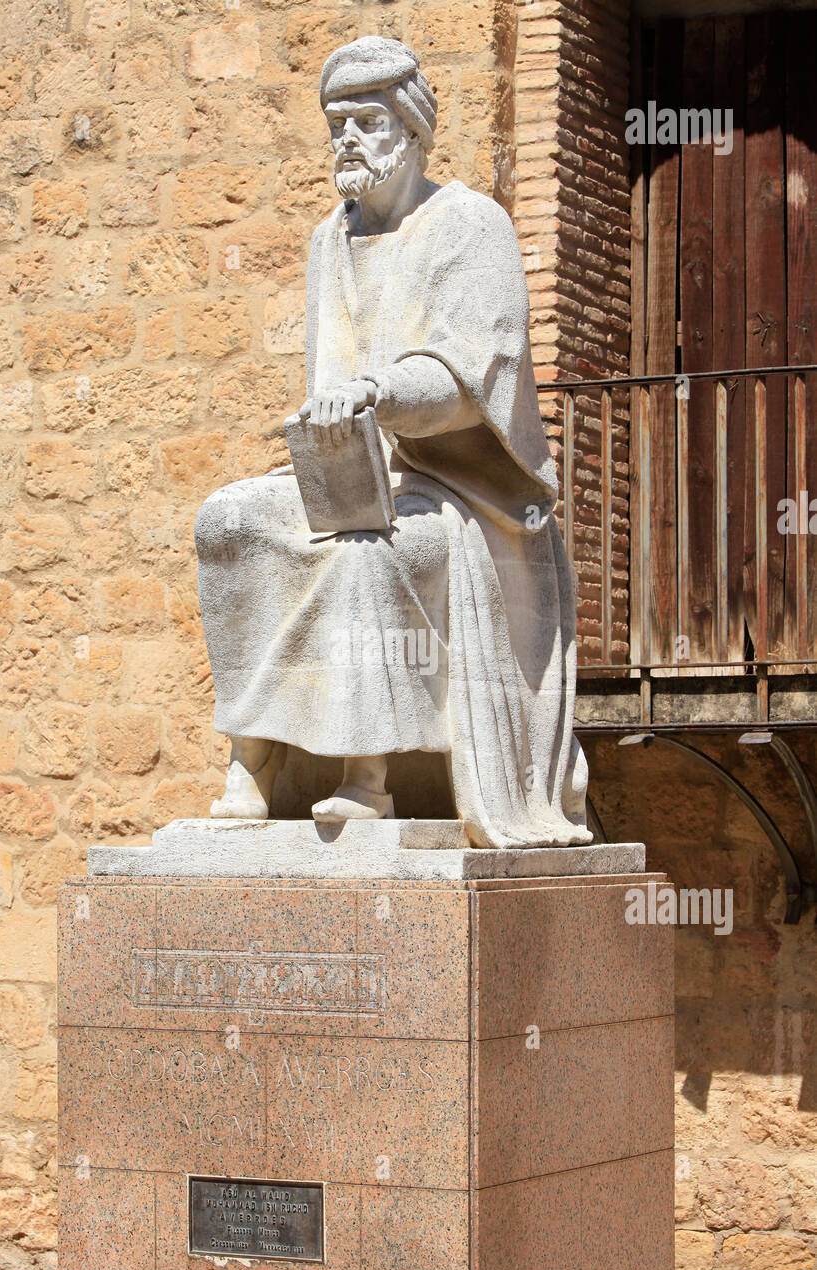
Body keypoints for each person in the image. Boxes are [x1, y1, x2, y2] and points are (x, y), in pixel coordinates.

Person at [195, 35, 590, 848]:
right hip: (356, 474)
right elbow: (324, 382)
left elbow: (468, 376)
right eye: (338, 123)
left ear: (411, 130)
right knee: (227, 522)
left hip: (465, 495)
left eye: (368, 121)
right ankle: (251, 756)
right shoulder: (326, 241)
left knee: (362, 551)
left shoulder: (470, 225)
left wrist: (379, 391)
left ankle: (364, 777)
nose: (348, 140)